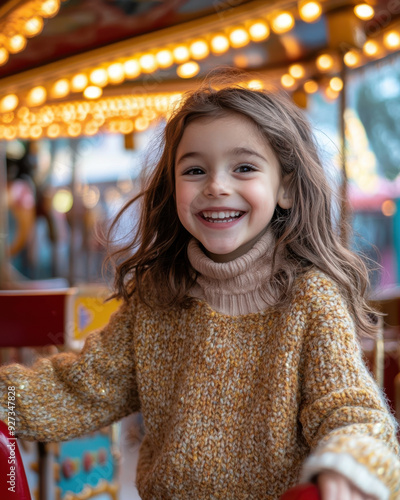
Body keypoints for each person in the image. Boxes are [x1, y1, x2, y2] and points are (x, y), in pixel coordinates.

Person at [1, 82, 399, 500]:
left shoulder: (310, 300)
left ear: (284, 188)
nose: (216, 186)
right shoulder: (157, 298)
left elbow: (350, 409)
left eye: (243, 168)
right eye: (195, 170)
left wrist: (349, 463)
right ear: (174, 189)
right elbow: (79, 389)